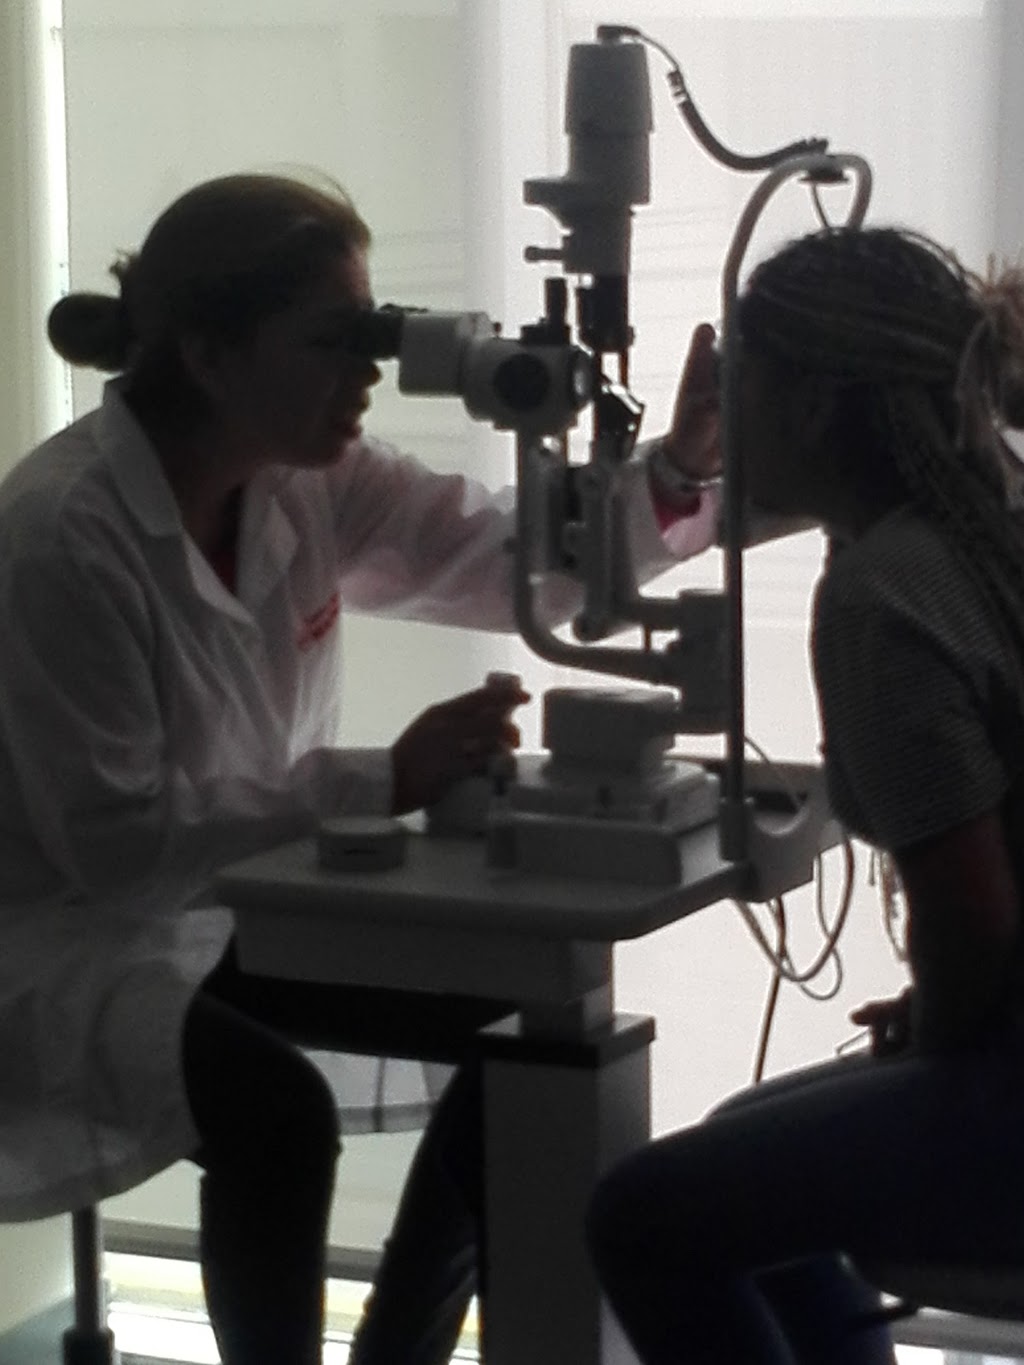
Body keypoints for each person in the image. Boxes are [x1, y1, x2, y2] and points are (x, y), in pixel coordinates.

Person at [0, 171, 721, 1364]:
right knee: (276, 1116)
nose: (369, 371)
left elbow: (511, 558)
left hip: (224, 910)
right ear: (210, 355)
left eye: (374, 334)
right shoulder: (62, 536)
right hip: (58, 939)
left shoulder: (306, 477)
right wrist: (383, 779)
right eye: (336, 341)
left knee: (530, 1035)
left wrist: (679, 469)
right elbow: (117, 847)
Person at [586, 224, 1024, 1365]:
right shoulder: (993, 525)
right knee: (743, 1155)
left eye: (740, 382)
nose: (725, 417)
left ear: (817, 405)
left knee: (641, 1215)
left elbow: (973, 923)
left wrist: (948, 1030)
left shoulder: (887, 593)